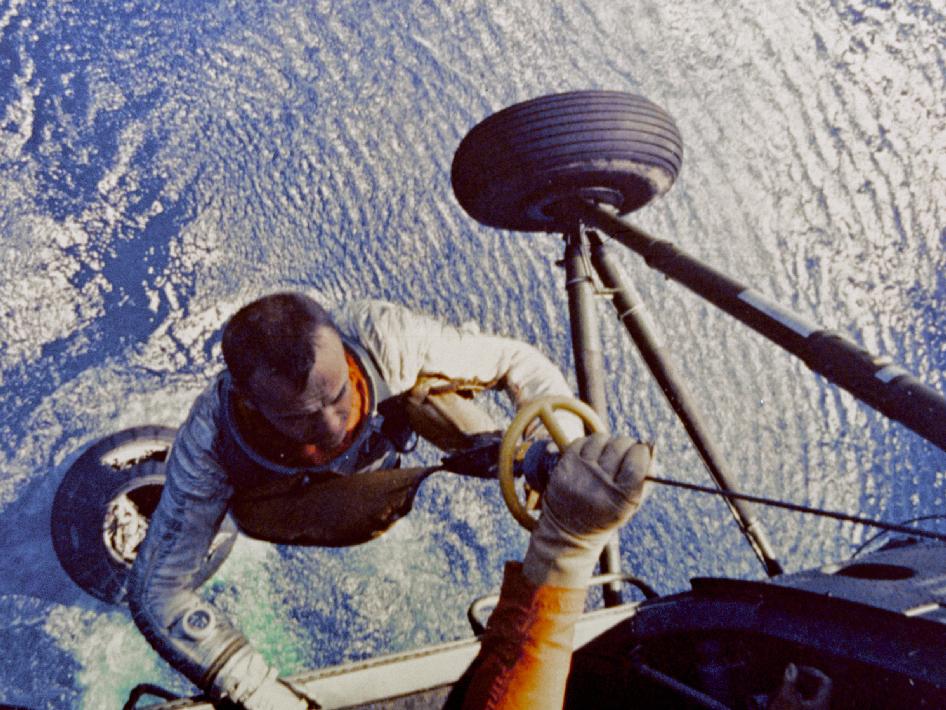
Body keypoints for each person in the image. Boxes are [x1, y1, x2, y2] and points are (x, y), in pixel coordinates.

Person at [127, 291, 585, 710]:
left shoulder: (382, 338)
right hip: (292, 503)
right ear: (249, 401)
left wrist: (559, 442)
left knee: (431, 388)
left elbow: (515, 361)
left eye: (338, 394)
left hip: (382, 459)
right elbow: (157, 592)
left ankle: (526, 459)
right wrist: (264, 696)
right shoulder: (210, 443)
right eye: (301, 416)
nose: (331, 426)